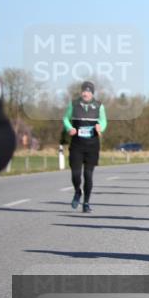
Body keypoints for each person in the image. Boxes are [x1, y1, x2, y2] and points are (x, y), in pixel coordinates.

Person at [62, 81, 107, 213]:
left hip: (92, 145)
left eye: (88, 91)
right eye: (83, 91)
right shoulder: (73, 104)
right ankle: (77, 191)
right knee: (76, 173)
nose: (85, 93)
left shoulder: (99, 106)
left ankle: (86, 203)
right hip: (77, 145)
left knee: (88, 175)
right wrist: (69, 128)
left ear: (92, 93)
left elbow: (104, 121)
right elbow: (65, 119)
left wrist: (101, 127)